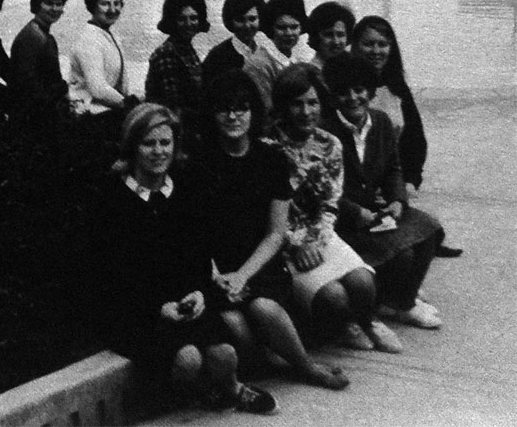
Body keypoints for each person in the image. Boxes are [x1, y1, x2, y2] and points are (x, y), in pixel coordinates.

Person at [94, 103, 279, 414]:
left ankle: (229, 388)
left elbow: (198, 256)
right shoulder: (113, 199)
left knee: (225, 354)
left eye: (165, 143)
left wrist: (200, 294)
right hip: (137, 312)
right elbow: (113, 274)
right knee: (188, 358)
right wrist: (158, 308)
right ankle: (189, 396)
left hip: (183, 303)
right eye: (148, 143)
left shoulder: (185, 191)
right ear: (132, 146)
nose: (158, 151)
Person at [199, 70, 349, 389]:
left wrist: (243, 275)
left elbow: (275, 232)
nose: (233, 116)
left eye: (241, 108)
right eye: (224, 109)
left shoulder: (271, 159)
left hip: (261, 263)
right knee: (234, 325)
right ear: (211, 114)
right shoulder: (199, 164)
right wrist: (218, 277)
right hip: (213, 268)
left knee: (264, 308)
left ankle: (306, 367)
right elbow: (194, 233)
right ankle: (271, 361)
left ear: (253, 111)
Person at [266, 63, 402, 353]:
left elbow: (330, 202)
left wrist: (316, 240)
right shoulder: (268, 147)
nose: (306, 112)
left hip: (319, 233)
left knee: (364, 283)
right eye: (297, 104)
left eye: (313, 103)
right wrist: (297, 244)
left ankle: (368, 320)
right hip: (280, 240)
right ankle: (343, 327)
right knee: (334, 296)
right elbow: (261, 211)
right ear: (283, 106)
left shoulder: (330, 144)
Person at [321, 53, 444, 329]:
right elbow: (322, 189)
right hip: (341, 218)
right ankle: (399, 303)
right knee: (402, 253)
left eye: (359, 90)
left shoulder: (381, 122)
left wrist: (398, 200)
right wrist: (356, 211)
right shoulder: (324, 131)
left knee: (430, 229)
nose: (352, 98)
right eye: (343, 92)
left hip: (374, 211)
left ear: (371, 91)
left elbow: (393, 169)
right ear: (332, 96)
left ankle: (401, 298)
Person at [350, 16, 462, 258]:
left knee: (432, 230)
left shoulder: (396, 86)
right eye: (368, 44)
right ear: (355, 45)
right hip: (361, 187)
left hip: (392, 179)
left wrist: (411, 181)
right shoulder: (348, 91)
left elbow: (416, 140)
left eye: (383, 44)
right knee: (407, 245)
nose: (376, 51)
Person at [144, 0, 210, 145]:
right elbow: (172, 107)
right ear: (172, 21)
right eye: (182, 19)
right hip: (173, 134)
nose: (189, 24)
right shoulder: (167, 54)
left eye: (193, 18)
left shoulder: (186, 49)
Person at [68, 0, 137, 119]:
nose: (112, 10)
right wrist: (129, 105)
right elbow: (98, 89)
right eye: (105, 4)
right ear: (93, 5)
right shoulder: (89, 39)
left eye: (116, 3)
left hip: (109, 111)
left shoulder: (110, 34)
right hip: (91, 116)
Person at [202, 0, 278, 110]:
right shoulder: (218, 57)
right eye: (240, 20)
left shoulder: (264, 52)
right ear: (230, 21)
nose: (247, 26)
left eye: (252, 19)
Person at [10, 0, 69, 124]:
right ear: (37, 4)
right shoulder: (36, 37)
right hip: (34, 118)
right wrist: (63, 87)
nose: (54, 8)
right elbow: (28, 87)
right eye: (48, 3)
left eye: (59, 3)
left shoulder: (36, 31)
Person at [257, 0, 315, 69]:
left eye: (294, 27)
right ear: (271, 28)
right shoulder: (261, 64)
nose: (289, 33)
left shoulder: (298, 60)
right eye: (281, 28)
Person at [307, 1, 356, 70]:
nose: (336, 41)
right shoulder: (309, 73)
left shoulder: (353, 70)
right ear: (315, 37)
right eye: (328, 35)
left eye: (340, 35)